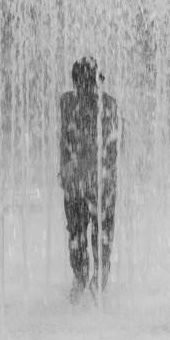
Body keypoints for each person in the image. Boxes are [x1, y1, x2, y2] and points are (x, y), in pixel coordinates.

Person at [58, 57, 119, 305]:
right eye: (81, 83)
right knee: (85, 233)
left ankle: (90, 281)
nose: (84, 88)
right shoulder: (74, 102)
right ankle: (86, 279)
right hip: (89, 180)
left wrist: (67, 168)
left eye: (86, 83)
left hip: (92, 180)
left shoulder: (73, 102)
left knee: (87, 234)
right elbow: (65, 139)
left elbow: (112, 145)